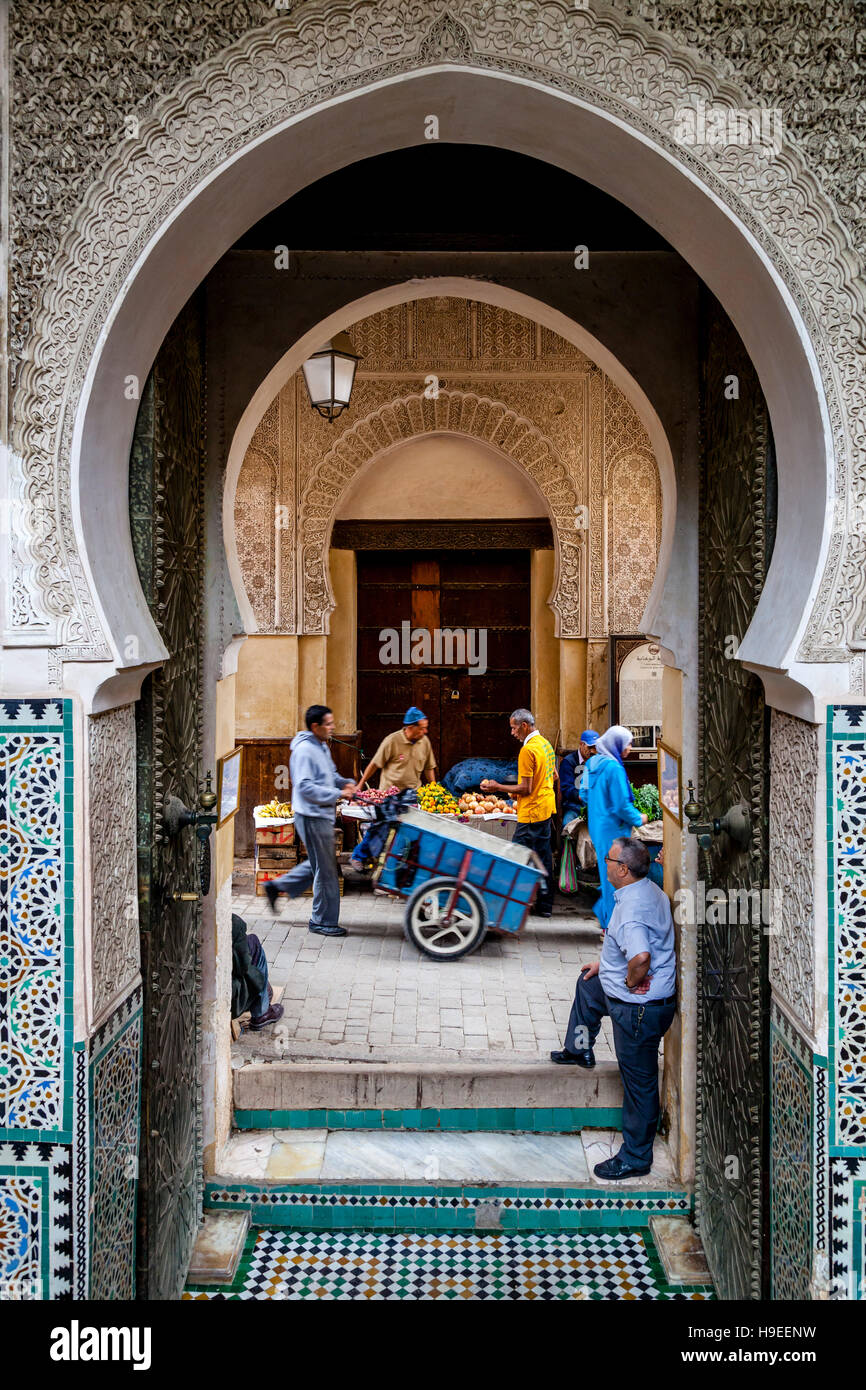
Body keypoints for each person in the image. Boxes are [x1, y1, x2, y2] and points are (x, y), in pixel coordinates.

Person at [550, 837, 677, 1180]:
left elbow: (640, 957)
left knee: (640, 1083)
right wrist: (605, 966)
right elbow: (630, 950)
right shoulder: (647, 890)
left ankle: (636, 1158)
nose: (603, 863)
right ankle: (578, 1048)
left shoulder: (633, 910)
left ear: (622, 869)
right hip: (632, 994)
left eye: (607, 859)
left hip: (639, 1008)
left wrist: (629, 983)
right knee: (589, 987)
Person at [264, 705, 358, 936]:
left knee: (320, 864)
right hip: (311, 816)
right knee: (326, 871)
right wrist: (338, 794)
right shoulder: (305, 751)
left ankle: (277, 886)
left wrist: (344, 782)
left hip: (320, 814)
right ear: (315, 726)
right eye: (328, 723)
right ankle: (322, 921)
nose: (332, 727)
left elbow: (330, 775)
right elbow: (305, 787)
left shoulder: (322, 746)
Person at [480, 708, 557, 918]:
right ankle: (544, 906)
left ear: (524, 726)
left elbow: (526, 788)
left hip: (531, 813)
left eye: (514, 728)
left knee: (513, 857)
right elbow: (554, 777)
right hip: (545, 809)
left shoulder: (528, 750)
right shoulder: (546, 745)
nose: (512, 733)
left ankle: (502, 905)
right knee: (543, 859)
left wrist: (498, 787)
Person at [350, 707, 437, 870]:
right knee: (381, 827)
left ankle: (399, 866)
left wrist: (434, 789)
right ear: (411, 727)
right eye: (422, 727)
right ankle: (358, 856)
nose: (425, 731)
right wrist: (360, 785)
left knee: (409, 832)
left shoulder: (424, 742)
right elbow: (375, 764)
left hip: (412, 795)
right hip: (390, 795)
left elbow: (429, 767)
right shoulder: (392, 740)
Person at [581, 723, 646, 930]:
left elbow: (583, 795)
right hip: (614, 829)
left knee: (607, 872)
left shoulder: (592, 764)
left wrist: (598, 805)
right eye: (627, 744)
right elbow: (621, 806)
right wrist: (640, 818)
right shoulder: (614, 768)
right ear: (616, 745)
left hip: (598, 827)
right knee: (616, 878)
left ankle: (605, 917)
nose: (630, 749)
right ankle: (608, 922)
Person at [231, 913, 284, 1031]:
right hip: (232, 996)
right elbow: (243, 967)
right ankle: (261, 1013)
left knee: (248, 944)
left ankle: (262, 992)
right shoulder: (232, 924)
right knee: (253, 942)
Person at [559, 729, 600, 823]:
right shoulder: (569, 762)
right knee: (568, 825)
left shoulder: (598, 761)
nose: (593, 751)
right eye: (590, 747)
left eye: (595, 747)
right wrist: (580, 796)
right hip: (573, 806)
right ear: (581, 744)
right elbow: (566, 788)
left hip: (595, 805)